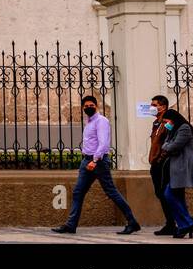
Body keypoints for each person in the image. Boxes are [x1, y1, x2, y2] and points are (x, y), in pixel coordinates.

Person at [52, 94, 141, 235]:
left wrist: (95, 160)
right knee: (78, 192)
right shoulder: (89, 122)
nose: (88, 108)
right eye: (86, 106)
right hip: (86, 161)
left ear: (96, 106)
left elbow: (103, 143)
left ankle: (132, 222)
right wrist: (88, 160)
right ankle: (71, 225)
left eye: (91, 106)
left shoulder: (101, 121)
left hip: (97, 162)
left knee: (111, 191)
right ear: (82, 108)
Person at [159, 108, 193, 239]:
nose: (166, 124)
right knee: (177, 197)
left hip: (182, 167)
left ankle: (187, 223)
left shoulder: (184, 128)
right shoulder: (173, 129)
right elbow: (166, 143)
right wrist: (167, 146)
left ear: (173, 119)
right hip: (174, 167)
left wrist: (166, 146)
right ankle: (185, 224)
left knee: (169, 194)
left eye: (167, 121)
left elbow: (173, 146)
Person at [148, 95, 177, 235]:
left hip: (162, 163)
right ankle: (170, 223)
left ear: (163, 106)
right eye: (152, 105)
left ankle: (174, 223)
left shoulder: (168, 122)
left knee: (165, 193)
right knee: (160, 193)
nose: (152, 108)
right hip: (154, 162)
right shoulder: (156, 123)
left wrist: (161, 158)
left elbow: (170, 141)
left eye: (155, 105)